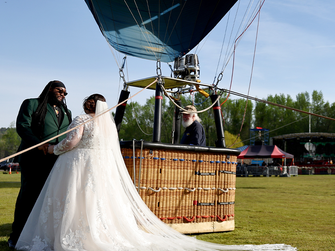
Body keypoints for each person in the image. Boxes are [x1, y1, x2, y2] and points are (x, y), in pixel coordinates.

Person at [16, 94, 294, 251]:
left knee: (75, 201)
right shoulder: (106, 125)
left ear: (87, 105)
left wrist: (53, 150)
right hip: (98, 168)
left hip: (77, 165)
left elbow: (72, 141)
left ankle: (70, 236)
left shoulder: (81, 119)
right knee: (98, 203)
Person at [9, 80, 72, 248]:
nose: (63, 95)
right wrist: (38, 144)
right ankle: (17, 236)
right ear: (50, 88)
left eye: (65, 93)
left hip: (56, 161)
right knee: (28, 197)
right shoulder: (31, 104)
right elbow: (22, 127)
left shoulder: (67, 111)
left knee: (50, 199)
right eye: (60, 91)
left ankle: (41, 235)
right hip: (34, 159)